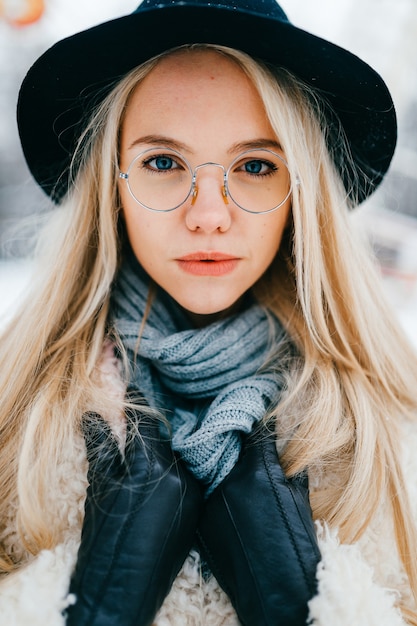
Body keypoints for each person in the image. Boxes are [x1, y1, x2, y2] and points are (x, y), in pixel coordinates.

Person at [1, 0, 417, 624]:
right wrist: (97, 607)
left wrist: (301, 601)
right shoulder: (14, 411)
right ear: (111, 188)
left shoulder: (394, 432)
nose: (209, 214)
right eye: (164, 163)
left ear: (298, 194)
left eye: (254, 166)